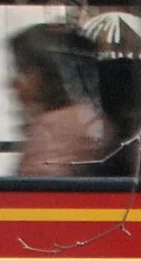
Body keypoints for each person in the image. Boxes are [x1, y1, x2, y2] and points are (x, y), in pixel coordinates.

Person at [9, 22, 115, 176]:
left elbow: (33, 188)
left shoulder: (50, 129)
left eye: (21, 71)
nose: (14, 84)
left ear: (41, 75)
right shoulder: (89, 116)